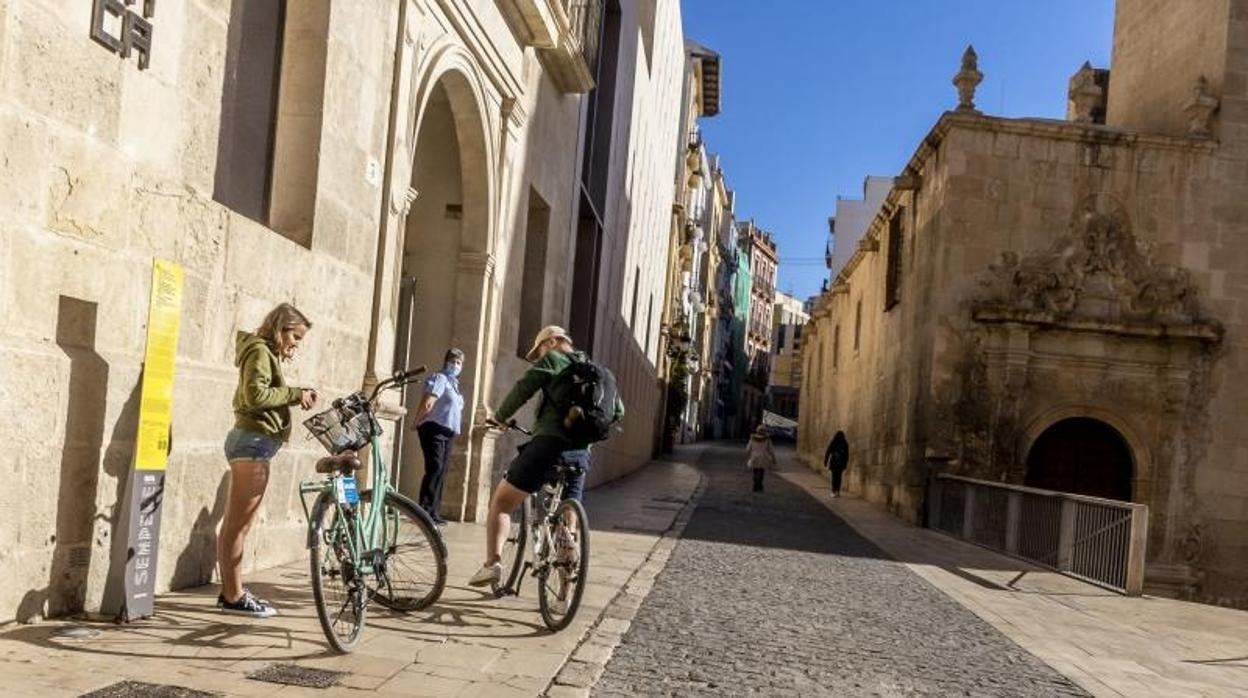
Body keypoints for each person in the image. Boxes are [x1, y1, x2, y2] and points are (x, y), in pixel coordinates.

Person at [467, 326, 624, 587]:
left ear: (552, 341)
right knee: (570, 509)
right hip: (580, 453)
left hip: (548, 446)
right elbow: (618, 410)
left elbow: (523, 389)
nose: (539, 356)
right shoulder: (599, 372)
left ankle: (492, 564)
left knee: (502, 503)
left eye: (539, 350)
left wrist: (500, 417)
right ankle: (565, 585)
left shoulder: (553, 359)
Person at [218, 303, 317, 618]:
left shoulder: (265, 353)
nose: (296, 344)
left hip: (256, 444)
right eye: (295, 337)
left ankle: (231, 593)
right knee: (237, 526)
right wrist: (294, 394)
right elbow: (254, 397)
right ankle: (233, 597)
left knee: (240, 525)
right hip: (252, 443)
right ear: (281, 328)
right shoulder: (260, 351)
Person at [411, 348, 466, 526]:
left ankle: (434, 512)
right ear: (446, 361)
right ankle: (424, 511)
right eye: (453, 361)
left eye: (459, 362)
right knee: (434, 467)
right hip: (433, 428)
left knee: (441, 471)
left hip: (448, 432)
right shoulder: (440, 378)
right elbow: (428, 401)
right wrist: (417, 420)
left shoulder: (455, 386)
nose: (455, 365)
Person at [746, 425, 776, 492]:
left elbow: (748, 449)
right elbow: (771, 450)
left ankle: (755, 485)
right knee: (761, 472)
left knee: (755, 471)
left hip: (754, 457)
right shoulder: (767, 440)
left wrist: (749, 456)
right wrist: (774, 459)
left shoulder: (752, 439)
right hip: (763, 457)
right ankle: (759, 485)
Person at [824, 430, 849, 498]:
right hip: (840, 464)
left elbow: (828, 452)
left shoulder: (834, 442)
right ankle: (837, 491)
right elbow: (847, 456)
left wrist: (825, 462)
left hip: (834, 463)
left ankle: (833, 491)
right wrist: (845, 464)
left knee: (834, 478)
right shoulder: (845, 443)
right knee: (839, 478)